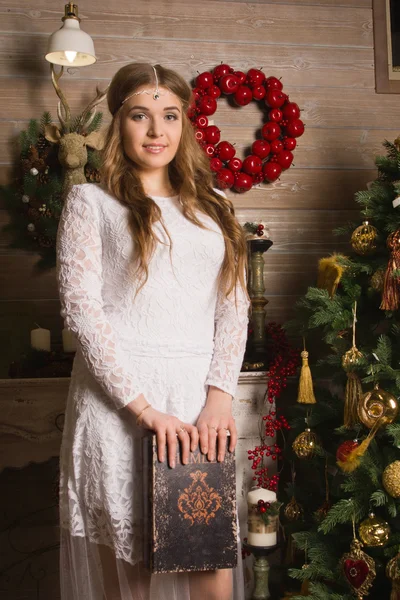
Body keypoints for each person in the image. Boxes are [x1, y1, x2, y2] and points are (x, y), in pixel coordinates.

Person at [57, 62, 250, 600]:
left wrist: (219, 400)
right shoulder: (90, 204)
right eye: (141, 116)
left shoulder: (215, 210)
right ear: (119, 124)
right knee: (134, 575)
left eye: (169, 116)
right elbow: (82, 312)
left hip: (195, 405)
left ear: (184, 124)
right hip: (121, 405)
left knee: (209, 569)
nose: (156, 131)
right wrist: (143, 411)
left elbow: (234, 310)